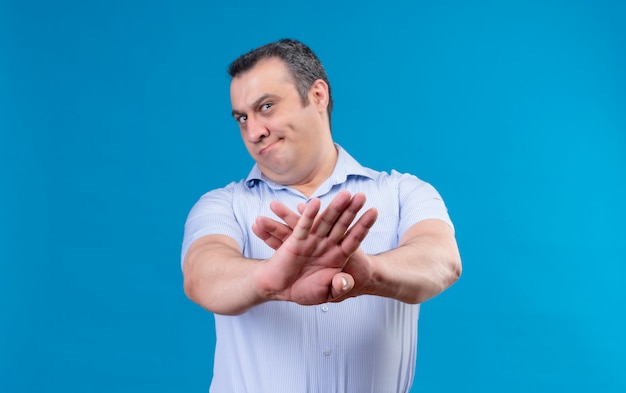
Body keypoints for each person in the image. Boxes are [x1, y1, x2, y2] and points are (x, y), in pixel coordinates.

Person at [181, 38, 462, 393]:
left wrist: (370, 274)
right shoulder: (222, 205)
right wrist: (273, 279)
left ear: (317, 96)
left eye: (266, 107)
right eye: (242, 118)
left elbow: (442, 260)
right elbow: (202, 274)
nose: (253, 132)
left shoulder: (404, 192)